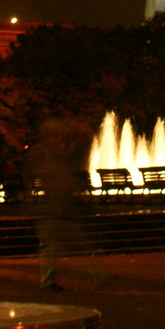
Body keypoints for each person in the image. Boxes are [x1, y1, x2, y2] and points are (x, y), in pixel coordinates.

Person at [23, 116, 103, 291]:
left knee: (80, 245)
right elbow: (37, 173)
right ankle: (49, 281)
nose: (59, 138)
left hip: (64, 209)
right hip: (50, 210)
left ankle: (97, 276)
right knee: (51, 248)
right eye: (56, 135)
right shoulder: (41, 153)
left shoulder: (61, 152)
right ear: (48, 135)